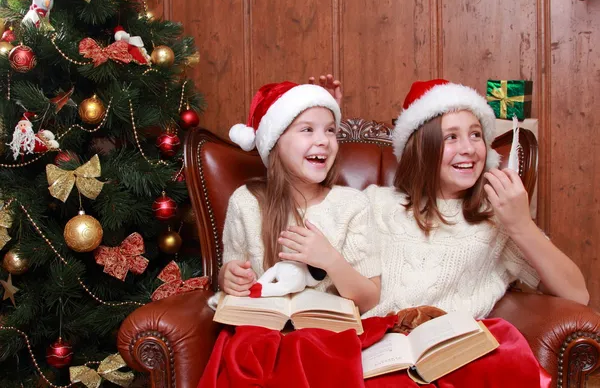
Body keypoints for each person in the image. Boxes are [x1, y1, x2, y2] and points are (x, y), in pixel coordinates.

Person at [363, 78, 588, 320]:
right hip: (379, 346)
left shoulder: (496, 216)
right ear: (421, 149)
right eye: (451, 137)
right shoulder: (376, 203)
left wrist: (521, 225)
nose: (469, 148)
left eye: (475, 134)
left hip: (457, 350)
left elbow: (577, 295)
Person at [219, 77, 380, 314]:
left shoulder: (352, 205)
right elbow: (231, 270)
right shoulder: (246, 202)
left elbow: (370, 299)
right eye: (307, 129)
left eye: (330, 130)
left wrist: (330, 260)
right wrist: (228, 277)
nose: (323, 140)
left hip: (326, 335)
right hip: (261, 330)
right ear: (275, 142)